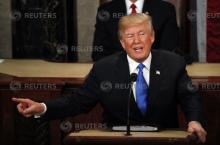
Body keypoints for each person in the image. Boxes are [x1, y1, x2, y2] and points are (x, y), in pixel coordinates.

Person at [13, 13, 206, 143]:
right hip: (117, 141)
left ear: (152, 37)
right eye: (130, 36)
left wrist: (195, 121)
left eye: (142, 34)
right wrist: (42, 108)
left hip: (164, 140)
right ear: (122, 43)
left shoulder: (173, 63)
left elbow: (190, 97)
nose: (137, 41)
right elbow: (78, 102)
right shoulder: (104, 68)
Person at [92, 0, 179, 61]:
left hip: (155, 72)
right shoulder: (106, 10)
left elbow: (168, 51)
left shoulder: (165, 9)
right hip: (115, 73)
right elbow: (99, 52)